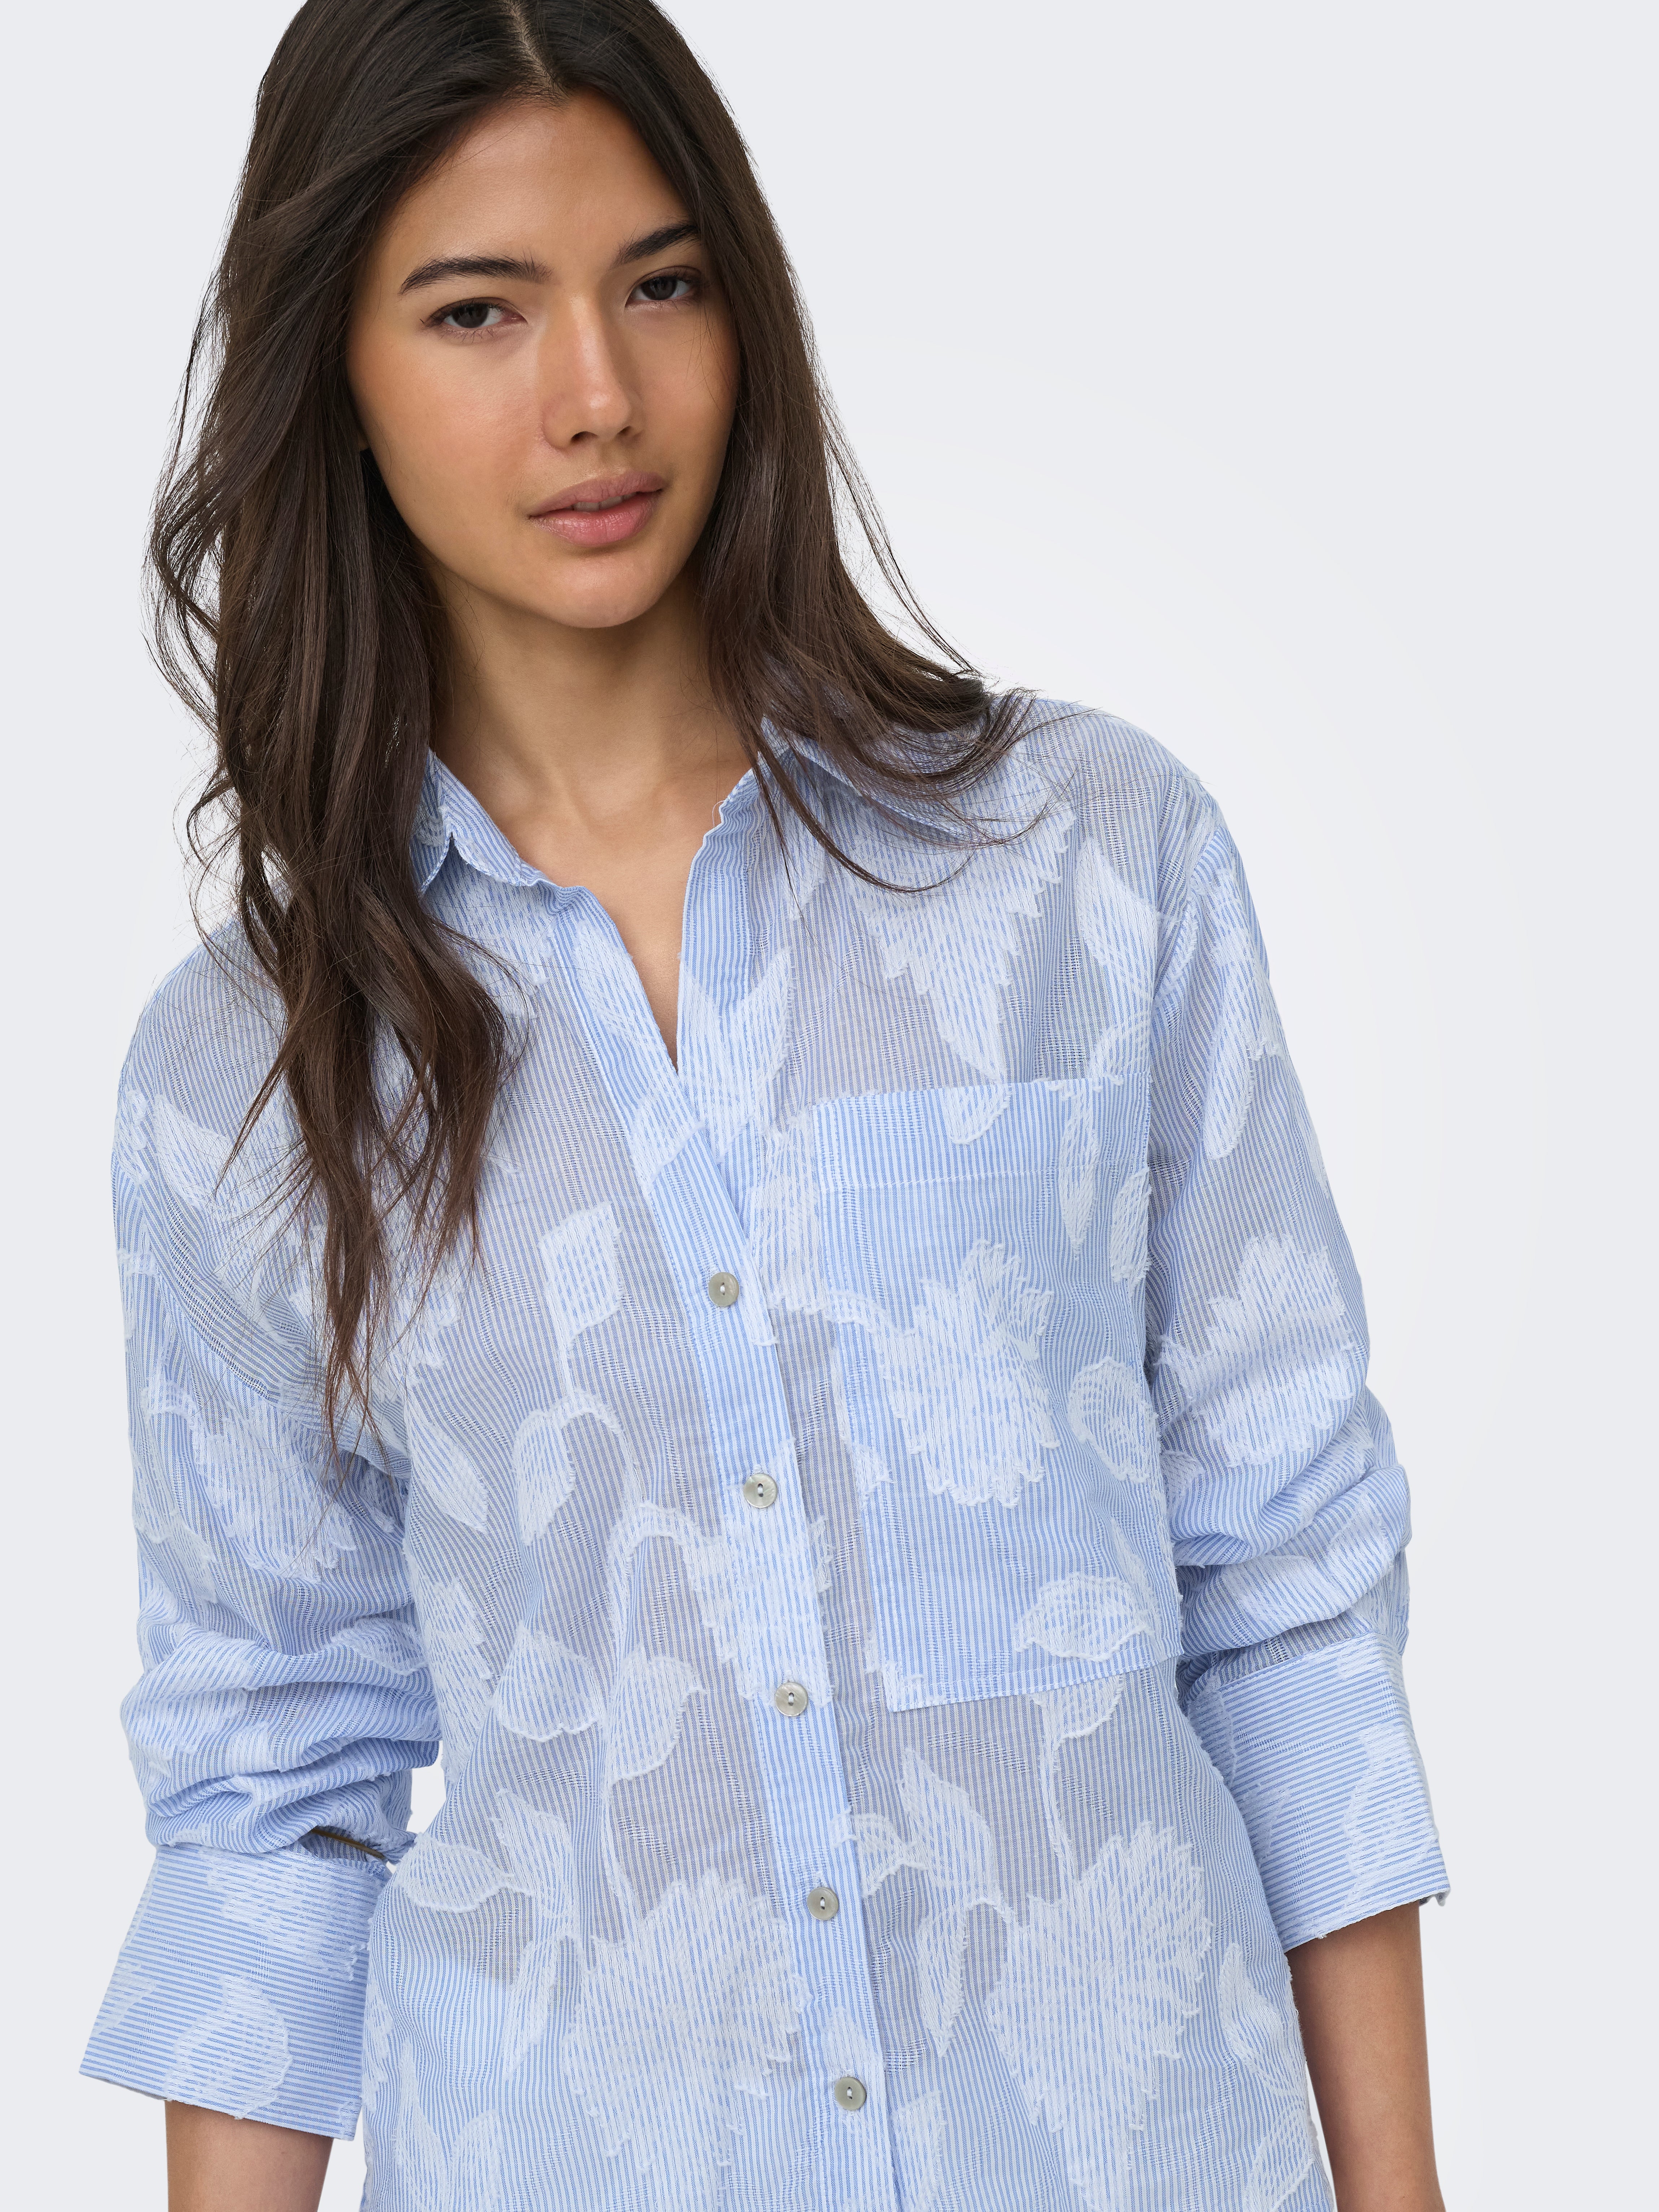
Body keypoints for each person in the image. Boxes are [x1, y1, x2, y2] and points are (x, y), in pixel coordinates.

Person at [79, 2, 1450, 2207]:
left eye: (661, 283)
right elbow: (270, 1793)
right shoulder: (240, 1077)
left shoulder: (1085, 870)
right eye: (476, 312)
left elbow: (1283, 1588)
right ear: (329, 366)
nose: (594, 396)